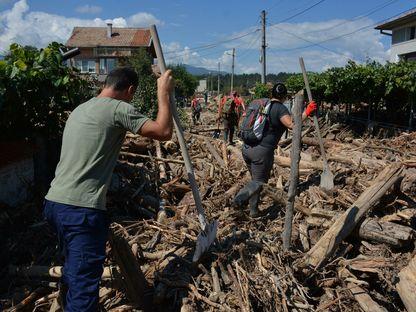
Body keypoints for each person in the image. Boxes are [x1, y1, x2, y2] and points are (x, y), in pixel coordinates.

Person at [43, 67, 174, 311]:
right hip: (80, 211)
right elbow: (163, 131)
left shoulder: (81, 108)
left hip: (55, 204)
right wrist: (162, 92)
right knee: (83, 287)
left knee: (74, 272)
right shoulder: (118, 108)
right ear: (130, 90)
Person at [233, 82, 316, 217]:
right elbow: (292, 125)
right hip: (261, 152)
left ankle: (254, 211)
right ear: (284, 96)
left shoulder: (264, 104)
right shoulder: (280, 108)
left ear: (271, 94)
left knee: (256, 181)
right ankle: (238, 200)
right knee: (258, 182)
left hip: (247, 148)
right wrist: (307, 112)